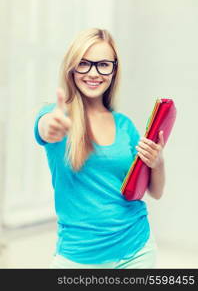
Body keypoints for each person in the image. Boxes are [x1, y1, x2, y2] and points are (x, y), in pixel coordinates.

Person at [34, 28, 165, 269]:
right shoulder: (55, 115)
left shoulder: (124, 125)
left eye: (103, 65)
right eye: (84, 64)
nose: (94, 73)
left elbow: (154, 192)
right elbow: (45, 128)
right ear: (72, 68)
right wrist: (51, 127)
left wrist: (158, 162)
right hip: (78, 258)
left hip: (136, 250)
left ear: (114, 70)